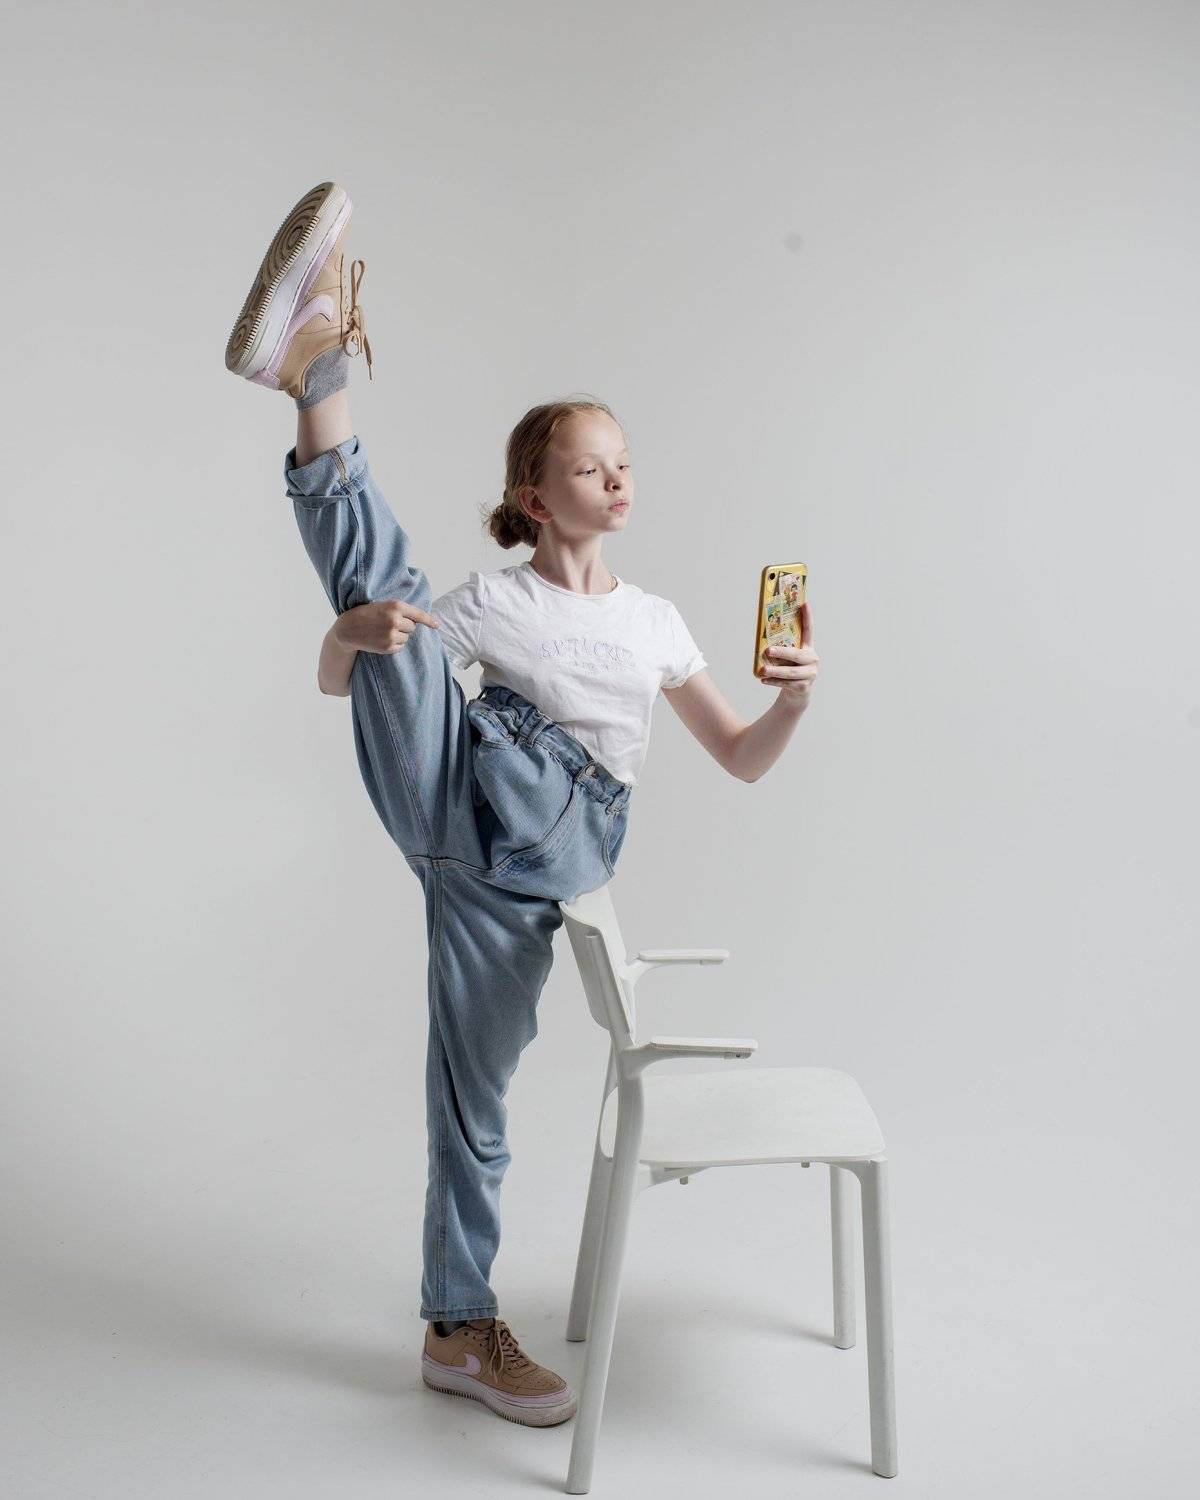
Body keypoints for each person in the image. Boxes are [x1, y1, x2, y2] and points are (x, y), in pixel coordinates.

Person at [224, 181, 820, 1429]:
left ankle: (456, 1325)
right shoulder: (497, 601)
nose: (617, 478)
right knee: (390, 601)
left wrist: (794, 703)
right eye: (588, 466)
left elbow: (740, 758)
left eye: (625, 463)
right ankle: (315, 370)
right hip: (457, 798)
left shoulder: (654, 621)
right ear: (536, 497)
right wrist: (346, 638)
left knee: (473, 1110)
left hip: (545, 846)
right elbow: (347, 683)